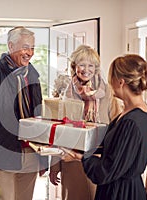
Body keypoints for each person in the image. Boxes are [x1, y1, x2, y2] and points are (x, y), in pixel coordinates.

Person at [62, 54, 147, 200]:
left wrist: (79, 157)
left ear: (121, 82)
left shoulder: (131, 121)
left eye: (111, 79)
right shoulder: (139, 112)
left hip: (121, 193)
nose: (109, 84)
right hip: (120, 188)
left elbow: (106, 171)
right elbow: (114, 149)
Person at [0, 26, 48, 200]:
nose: (29, 52)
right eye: (25, 47)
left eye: (32, 47)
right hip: (2, 156)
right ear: (10, 46)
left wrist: (43, 159)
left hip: (31, 155)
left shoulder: (33, 76)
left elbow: (39, 118)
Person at [49, 45, 106, 200]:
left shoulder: (108, 94)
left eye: (90, 65)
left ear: (96, 68)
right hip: (71, 161)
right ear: (74, 67)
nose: (86, 69)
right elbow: (59, 131)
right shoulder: (67, 94)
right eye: (81, 64)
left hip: (99, 163)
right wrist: (54, 167)